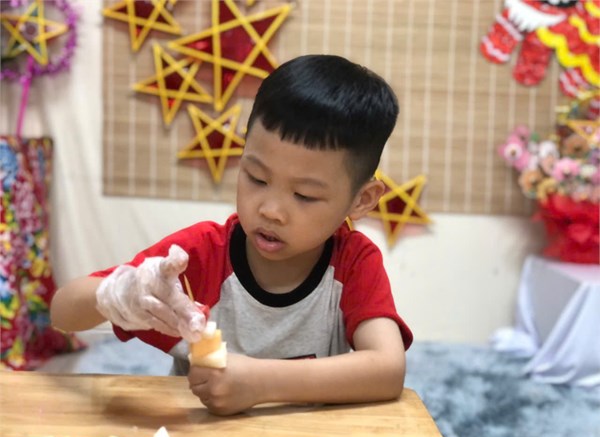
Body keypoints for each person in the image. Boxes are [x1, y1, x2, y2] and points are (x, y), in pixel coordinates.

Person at [51, 54, 413, 416]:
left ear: (361, 200)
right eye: (256, 178)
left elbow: (387, 370)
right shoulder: (200, 255)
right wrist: (117, 294)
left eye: (304, 195)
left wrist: (262, 383)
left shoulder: (352, 262)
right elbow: (62, 312)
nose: (271, 210)